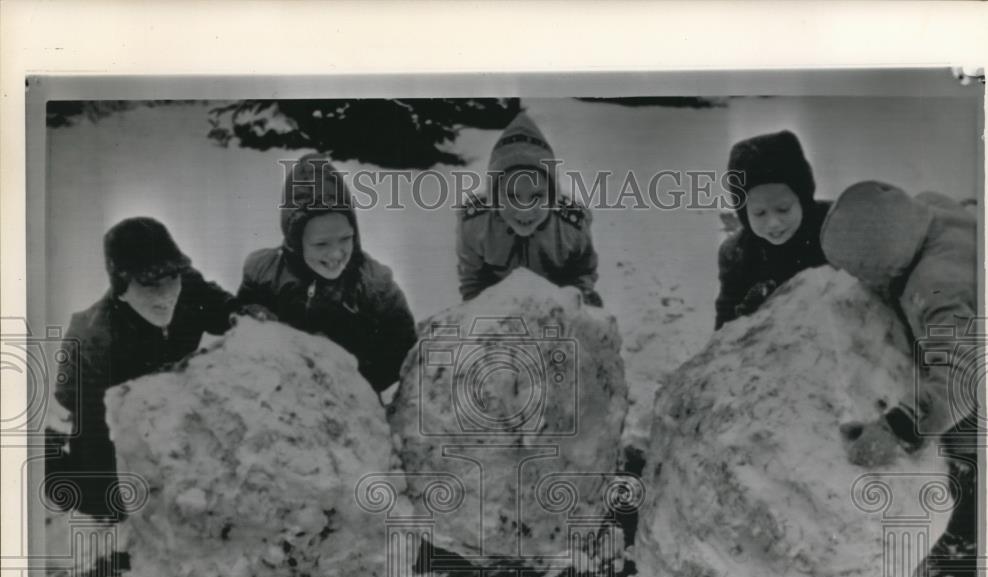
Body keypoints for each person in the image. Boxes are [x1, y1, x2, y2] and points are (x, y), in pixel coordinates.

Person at [48, 217, 239, 518]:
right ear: (122, 288)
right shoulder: (93, 340)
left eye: (171, 279)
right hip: (99, 408)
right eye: (150, 284)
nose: (166, 295)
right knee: (100, 497)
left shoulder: (186, 284)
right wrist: (112, 506)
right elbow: (99, 434)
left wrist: (240, 314)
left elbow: (221, 307)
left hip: (161, 397)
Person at [820, 180, 978, 472]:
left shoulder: (934, 289)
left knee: (968, 446)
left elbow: (962, 382)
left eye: (859, 272)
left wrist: (893, 430)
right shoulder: (931, 205)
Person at [238, 154, 417, 396]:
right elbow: (241, 324)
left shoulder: (375, 285)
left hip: (352, 400)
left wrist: (352, 376)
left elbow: (403, 351)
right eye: (321, 244)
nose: (336, 255)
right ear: (296, 242)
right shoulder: (264, 273)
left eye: (345, 239)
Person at [457, 112, 602, 306]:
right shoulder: (475, 224)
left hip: (556, 309)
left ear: (552, 196)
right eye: (512, 196)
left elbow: (581, 274)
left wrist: (576, 302)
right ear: (494, 195)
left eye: (537, 196)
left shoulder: (572, 225)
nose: (525, 211)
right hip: (499, 311)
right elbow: (473, 285)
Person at [715, 130, 831, 330]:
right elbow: (725, 324)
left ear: (803, 200)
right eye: (759, 213)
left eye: (783, 209)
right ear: (744, 213)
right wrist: (743, 312)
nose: (773, 223)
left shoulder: (834, 227)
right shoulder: (737, 256)